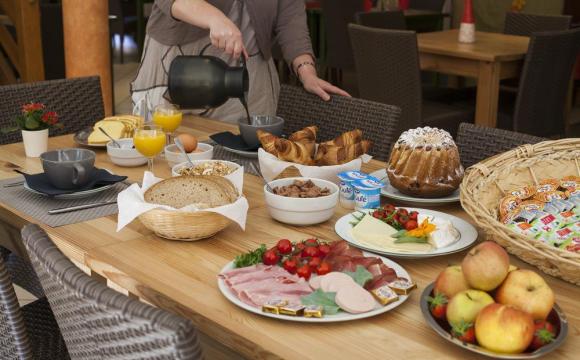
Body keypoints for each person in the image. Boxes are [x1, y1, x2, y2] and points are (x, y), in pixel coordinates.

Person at [132, 0, 349, 123]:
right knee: (170, 164)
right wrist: (214, 18)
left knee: (242, 171)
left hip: (248, 73)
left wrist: (306, 70)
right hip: (180, 67)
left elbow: (290, 14)